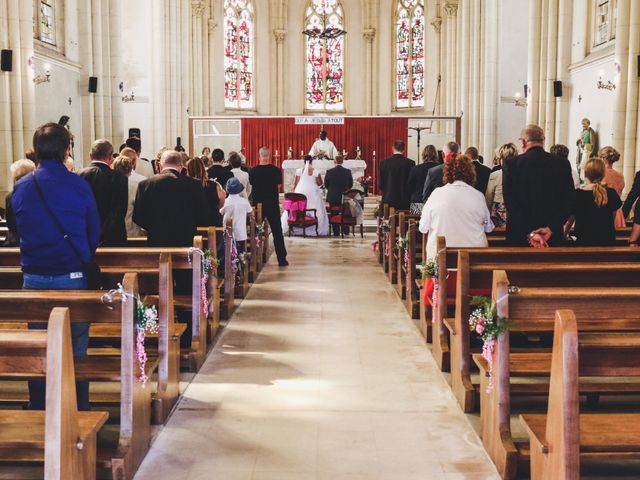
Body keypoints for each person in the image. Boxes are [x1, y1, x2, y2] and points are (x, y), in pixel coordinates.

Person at [12, 123, 101, 411]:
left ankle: (39, 404)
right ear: (67, 150)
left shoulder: (22, 187)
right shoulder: (78, 184)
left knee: (39, 345)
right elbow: (93, 232)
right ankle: (79, 407)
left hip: (33, 278)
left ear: (36, 151)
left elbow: (19, 229)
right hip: (71, 276)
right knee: (75, 348)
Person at [503, 125, 575, 247]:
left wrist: (530, 233)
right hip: (551, 237)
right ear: (543, 141)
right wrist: (551, 228)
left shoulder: (511, 164)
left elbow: (511, 203)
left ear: (524, 142)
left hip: (520, 237)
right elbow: (569, 201)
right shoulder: (562, 164)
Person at [419, 154, 493, 259]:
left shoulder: (437, 194)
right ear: (471, 174)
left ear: (447, 173)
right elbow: (488, 227)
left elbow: (423, 227)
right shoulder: (478, 195)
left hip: (441, 257)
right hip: (474, 257)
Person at [133, 150, 210, 247]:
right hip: (185, 241)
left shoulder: (145, 184)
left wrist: (154, 227)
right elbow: (203, 214)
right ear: (181, 167)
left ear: (160, 166)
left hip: (157, 241)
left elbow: (138, 216)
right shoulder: (194, 185)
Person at [78, 139, 128, 246]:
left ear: (90, 155)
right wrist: (102, 234)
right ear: (111, 157)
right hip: (112, 238)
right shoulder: (119, 178)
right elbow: (119, 211)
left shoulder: (78, 176)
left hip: (85, 236)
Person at [567, 157, 621, 246]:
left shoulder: (578, 194)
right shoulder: (611, 193)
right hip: (607, 241)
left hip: (584, 242)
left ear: (585, 174)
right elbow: (613, 217)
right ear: (603, 175)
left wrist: (564, 234)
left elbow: (570, 220)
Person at [248, 147, 288, 266]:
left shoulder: (253, 171)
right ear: (269, 156)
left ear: (259, 156)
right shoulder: (276, 170)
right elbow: (279, 185)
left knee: (255, 231)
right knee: (277, 231)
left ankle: (254, 258)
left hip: (258, 204)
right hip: (272, 203)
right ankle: (282, 259)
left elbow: (251, 184)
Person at [282, 156, 330, 236]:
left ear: (304, 162)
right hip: (313, 193)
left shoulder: (299, 171)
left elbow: (296, 184)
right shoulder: (315, 171)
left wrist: (296, 192)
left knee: (298, 206)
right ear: (311, 162)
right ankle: (315, 229)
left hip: (300, 192)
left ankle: (295, 227)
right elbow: (320, 183)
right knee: (317, 208)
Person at [3, 159, 37, 247]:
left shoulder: (10, 196)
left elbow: (10, 223)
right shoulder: (39, 193)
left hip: (15, 241)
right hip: (34, 242)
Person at [485, 143, 518, 228]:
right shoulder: (522, 174)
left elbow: (489, 197)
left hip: (499, 213)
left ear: (502, 159)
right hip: (516, 211)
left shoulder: (495, 175)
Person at [113, 155, 145, 238]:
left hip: (114, 232)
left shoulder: (109, 183)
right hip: (134, 232)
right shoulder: (140, 182)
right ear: (131, 168)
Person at [186, 156, 224, 227]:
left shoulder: (186, 186)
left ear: (188, 171)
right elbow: (221, 203)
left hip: (193, 223)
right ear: (203, 169)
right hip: (213, 222)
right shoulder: (214, 185)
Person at [378, 140, 415, 210]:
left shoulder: (384, 163)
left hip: (388, 200)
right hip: (405, 200)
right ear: (404, 149)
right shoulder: (411, 163)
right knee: (404, 220)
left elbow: (380, 185)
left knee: (388, 219)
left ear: (393, 148)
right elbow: (412, 184)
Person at [220, 177, 253, 255]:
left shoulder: (225, 202)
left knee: (227, 252)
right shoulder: (244, 202)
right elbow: (251, 213)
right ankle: (240, 265)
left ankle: (229, 265)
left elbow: (220, 213)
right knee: (240, 252)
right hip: (240, 232)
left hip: (227, 232)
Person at [324, 154, 354, 236]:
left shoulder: (329, 172)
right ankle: (346, 231)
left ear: (335, 162)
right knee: (345, 213)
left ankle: (336, 232)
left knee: (334, 213)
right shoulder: (348, 172)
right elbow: (351, 184)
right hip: (345, 196)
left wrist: (332, 190)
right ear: (342, 161)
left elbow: (326, 185)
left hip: (333, 197)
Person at [598, 146, 626, 228]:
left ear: (603, 158)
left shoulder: (600, 173)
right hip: (617, 212)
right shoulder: (620, 176)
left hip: (603, 211)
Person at [407, 145, 439, 213]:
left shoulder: (415, 169)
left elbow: (409, 187)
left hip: (418, 203)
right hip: (435, 202)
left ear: (423, 155)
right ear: (436, 155)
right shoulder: (440, 169)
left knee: (414, 223)